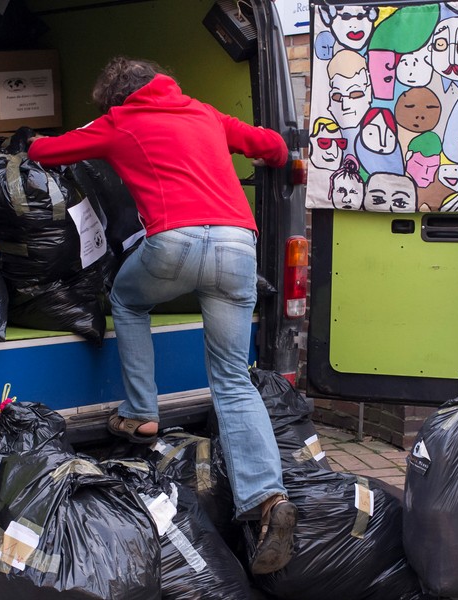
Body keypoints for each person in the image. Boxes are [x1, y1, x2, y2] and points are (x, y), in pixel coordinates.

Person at [26, 57, 296, 575]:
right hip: (239, 246)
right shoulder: (205, 114)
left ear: (115, 97)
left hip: (173, 243)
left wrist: (88, 129)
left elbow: (46, 152)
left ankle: (141, 411)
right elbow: (274, 148)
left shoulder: (120, 121)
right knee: (233, 380)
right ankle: (267, 500)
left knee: (129, 300)